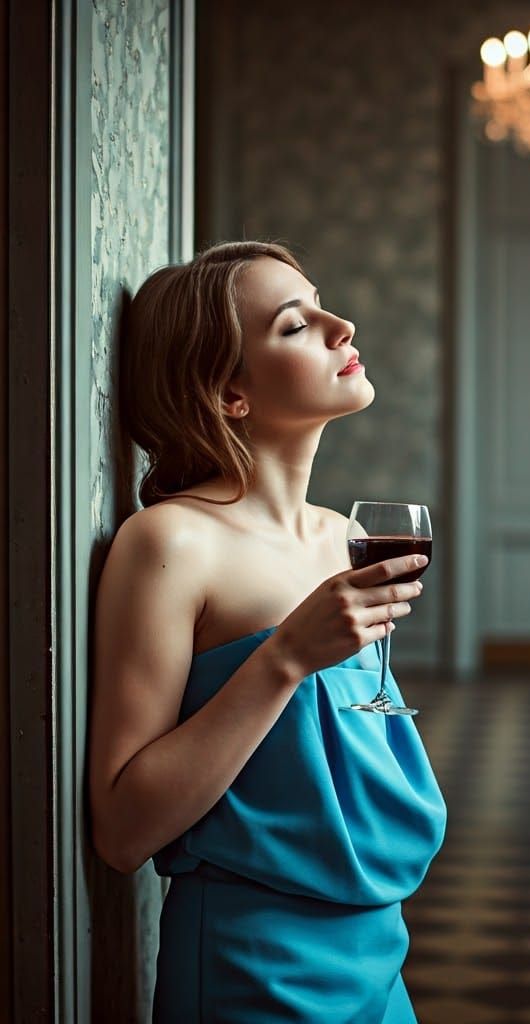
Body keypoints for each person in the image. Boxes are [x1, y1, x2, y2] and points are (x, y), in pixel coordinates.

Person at [88, 241, 447, 1022]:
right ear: (228, 393)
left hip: (379, 951)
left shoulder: (336, 538)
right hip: (253, 967)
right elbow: (120, 830)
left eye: (321, 303)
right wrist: (285, 656)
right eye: (295, 324)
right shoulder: (170, 543)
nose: (341, 324)